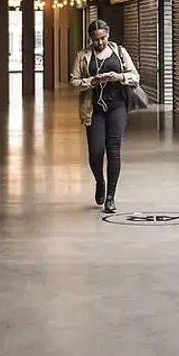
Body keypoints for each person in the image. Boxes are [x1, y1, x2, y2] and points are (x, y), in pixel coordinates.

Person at [70, 20, 140, 214]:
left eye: (103, 38)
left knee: (114, 150)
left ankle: (110, 196)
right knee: (95, 152)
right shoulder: (82, 56)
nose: (100, 43)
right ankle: (100, 181)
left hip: (117, 106)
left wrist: (119, 77)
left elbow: (135, 76)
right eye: (96, 40)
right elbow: (74, 82)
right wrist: (92, 80)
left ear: (108, 35)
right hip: (94, 109)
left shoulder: (120, 52)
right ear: (90, 39)